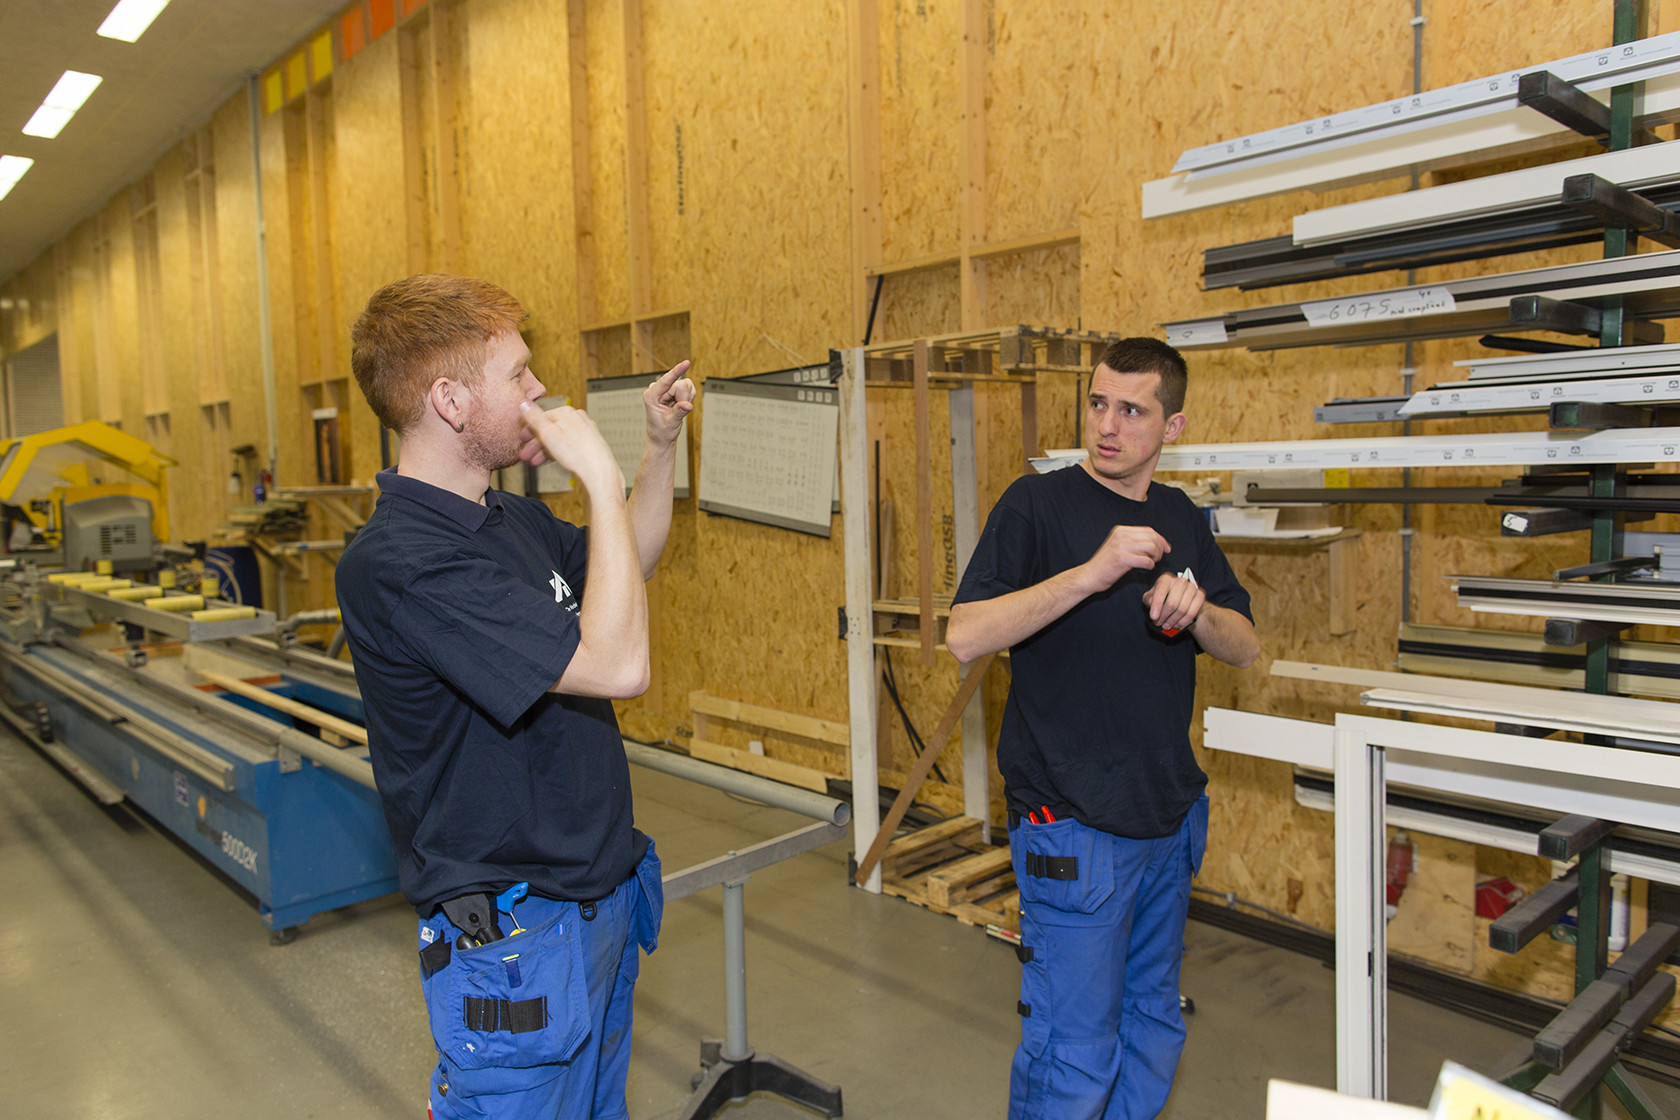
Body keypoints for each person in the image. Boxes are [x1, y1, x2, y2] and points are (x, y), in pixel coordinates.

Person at [335, 273, 695, 1120]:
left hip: (597, 905)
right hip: (517, 941)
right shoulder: (401, 563)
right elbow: (618, 667)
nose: (540, 393)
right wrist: (597, 478)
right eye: (519, 376)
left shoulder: (507, 522)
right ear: (452, 402)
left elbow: (628, 562)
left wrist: (656, 447)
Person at [945, 336, 1259, 1120]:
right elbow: (965, 634)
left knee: (1152, 1029)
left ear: (1173, 428)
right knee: (1075, 1053)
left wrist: (1199, 613)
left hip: (1166, 819)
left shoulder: (1181, 517)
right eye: (1097, 403)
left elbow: (1245, 645)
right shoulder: (1037, 505)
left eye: (1131, 409)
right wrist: (1094, 573)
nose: (1107, 425)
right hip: (1073, 827)